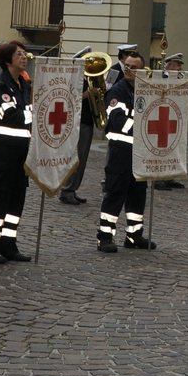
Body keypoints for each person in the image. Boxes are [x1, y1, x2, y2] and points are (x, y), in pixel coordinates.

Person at [97, 48, 156, 252]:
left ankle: (134, 235)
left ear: (143, 70)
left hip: (140, 151)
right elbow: (117, 121)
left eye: (134, 67)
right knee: (115, 192)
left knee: (138, 193)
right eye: (127, 66)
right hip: (121, 150)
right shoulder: (117, 91)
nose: (129, 70)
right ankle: (104, 236)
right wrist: (142, 125)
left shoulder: (145, 90)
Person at [0, 41, 33, 264]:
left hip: (21, 156)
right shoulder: (0, 85)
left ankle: (9, 244)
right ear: (7, 60)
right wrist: (36, 113)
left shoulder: (23, 84)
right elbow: (12, 116)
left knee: (16, 202)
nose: (24, 57)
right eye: (19, 54)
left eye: (24, 53)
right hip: (2, 156)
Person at [60, 46, 99, 205]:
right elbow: (68, 99)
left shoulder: (87, 79)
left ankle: (72, 189)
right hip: (78, 123)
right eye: (85, 62)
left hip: (87, 122)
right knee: (75, 158)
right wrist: (88, 94)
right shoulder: (71, 79)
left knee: (81, 160)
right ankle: (67, 189)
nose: (88, 65)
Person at [151, 51, 188, 191]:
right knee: (161, 148)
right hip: (162, 115)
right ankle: (159, 179)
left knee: (173, 147)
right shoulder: (161, 78)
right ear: (169, 66)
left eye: (179, 65)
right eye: (177, 65)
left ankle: (170, 177)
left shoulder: (178, 79)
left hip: (175, 116)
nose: (179, 68)